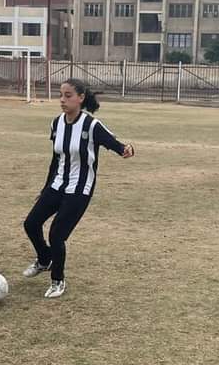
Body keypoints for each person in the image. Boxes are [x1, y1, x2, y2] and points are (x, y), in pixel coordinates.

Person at [22, 78, 135, 299]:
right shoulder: (56, 123)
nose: (62, 100)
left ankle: (57, 280)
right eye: (61, 95)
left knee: (56, 234)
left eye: (68, 96)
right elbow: (56, 159)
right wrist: (45, 188)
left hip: (80, 189)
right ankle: (44, 259)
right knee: (31, 223)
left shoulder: (91, 125)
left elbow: (117, 145)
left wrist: (127, 149)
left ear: (81, 98)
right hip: (57, 185)